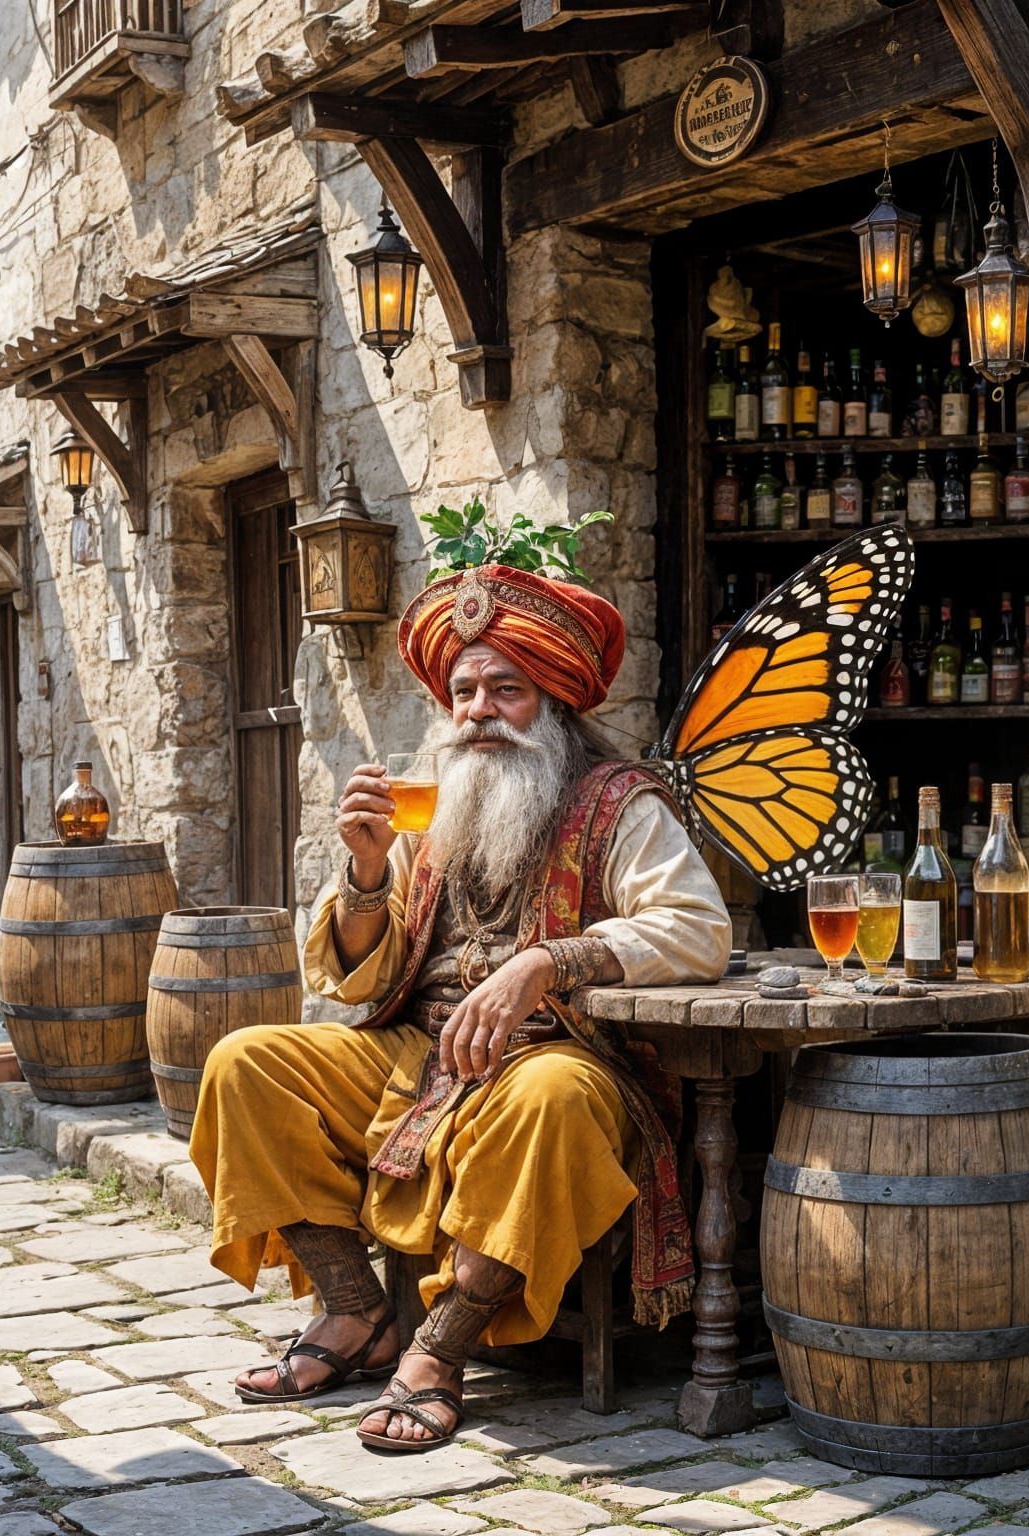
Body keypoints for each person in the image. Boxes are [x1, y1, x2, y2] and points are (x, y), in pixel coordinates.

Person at [189, 561, 732, 1452]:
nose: (478, 710)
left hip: (562, 1058)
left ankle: (440, 1351)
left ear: (553, 701)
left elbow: (697, 929)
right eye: (464, 690)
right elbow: (359, 981)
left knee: (548, 1098)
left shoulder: (619, 804)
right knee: (244, 1063)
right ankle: (358, 1313)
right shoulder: (433, 808)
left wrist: (551, 964)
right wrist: (367, 873)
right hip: (420, 1055)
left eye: (506, 690)